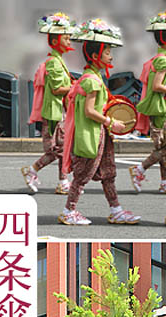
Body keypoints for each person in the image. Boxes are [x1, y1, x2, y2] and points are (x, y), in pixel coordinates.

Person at [60, 18, 140, 226]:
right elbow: (89, 111)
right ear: (95, 56)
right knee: (82, 176)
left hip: (97, 134)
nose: (110, 56)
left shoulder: (89, 77)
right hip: (90, 135)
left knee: (108, 174)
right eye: (107, 52)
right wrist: (111, 122)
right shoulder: (92, 81)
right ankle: (68, 211)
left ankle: (116, 210)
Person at [130, 11, 166, 196]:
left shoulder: (162, 58)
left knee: (164, 146)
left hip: (163, 107)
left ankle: (164, 182)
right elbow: (157, 86)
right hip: (161, 108)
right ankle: (140, 168)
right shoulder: (163, 60)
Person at [23, 12, 75, 195]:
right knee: (57, 149)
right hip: (54, 112)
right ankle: (33, 170)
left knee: (63, 147)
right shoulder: (53, 63)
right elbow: (56, 89)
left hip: (59, 111)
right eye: (66, 38)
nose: (69, 41)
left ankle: (63, 181)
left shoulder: (57, 61)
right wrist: (74, 88)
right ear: (55, 41)